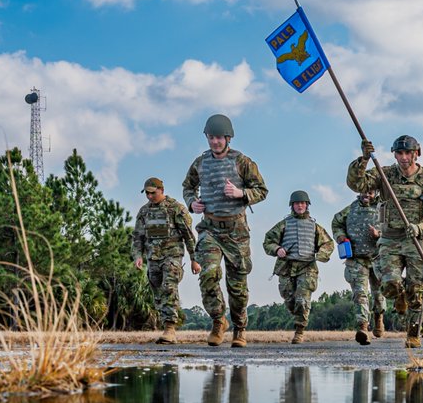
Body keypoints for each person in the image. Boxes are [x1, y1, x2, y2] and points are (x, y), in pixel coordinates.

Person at [347, 136, 423, 348]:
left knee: (417, 291)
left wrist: (420, 228)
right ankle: (399, 295)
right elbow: (356, 184)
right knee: (389, 285)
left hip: (416, 240)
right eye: (399, 154)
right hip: (390, 239)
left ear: (416, 153)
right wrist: (363, 159)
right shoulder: (385, 174)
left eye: (407, 153)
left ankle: (412, 335)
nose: (403, 157)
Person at [182, 113, 269, 348]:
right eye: (211, 138)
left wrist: (242, 194)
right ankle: (218, 321)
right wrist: (192, 203)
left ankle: (240, 328)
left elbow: (262, 190)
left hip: (236, 230)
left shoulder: (242, 162)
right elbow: (188, 186)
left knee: (237, 284)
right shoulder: (200, 163)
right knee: (208, 275)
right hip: (209, 228)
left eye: (219, 138)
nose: (214, 142)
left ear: (228, 138)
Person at [132, 177, 199, 344]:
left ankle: (170, 329)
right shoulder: (144, 212)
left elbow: (188, 236)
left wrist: (194, 259)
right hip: (153, 258)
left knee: (169, 287)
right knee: (158, 292)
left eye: (152, 193)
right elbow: (138, 237)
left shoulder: (176, 209)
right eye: (146, 193)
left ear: (161, 190)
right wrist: (138, 256)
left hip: (172, 256)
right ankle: (165, 324)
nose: (149, 196)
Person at [263, 190, 333, 343]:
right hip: (286, 266)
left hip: (307, 267)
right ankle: (298, 317)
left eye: (302, 203)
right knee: (289, 299)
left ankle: (299, 331)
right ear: (292, 206)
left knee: (302, 299)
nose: (300, 206)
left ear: (307, 205)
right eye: (297, 203)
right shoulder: (283, 225)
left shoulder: (315, 227)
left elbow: (328, 243)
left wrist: (320, 254)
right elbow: (268, 241)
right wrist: (277, 249)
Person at [332, 189, 385, 345]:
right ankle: (363, 328)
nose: (366, 195)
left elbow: (392, 228)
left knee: (378, 293)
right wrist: (340, 236)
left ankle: (378, 317)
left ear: (375, 192)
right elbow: (336, 223)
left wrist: (379, 234)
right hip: (357, 259)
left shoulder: (382, 210)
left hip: (377, 258)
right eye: (364, 192)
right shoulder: (350, 209)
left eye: (370, 192)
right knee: (360, 294)